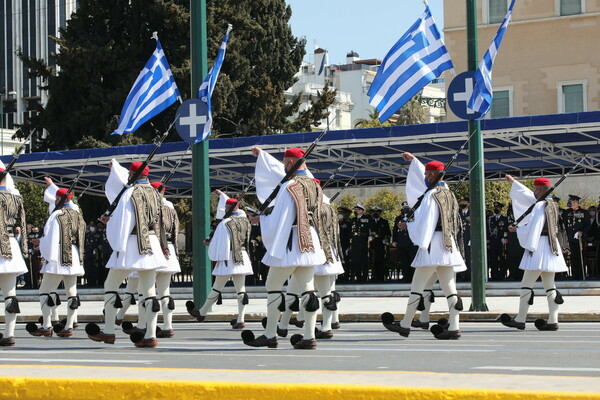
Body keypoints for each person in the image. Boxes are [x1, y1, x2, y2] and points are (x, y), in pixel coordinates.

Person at [241, 147, 326, 349]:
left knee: (273, 286)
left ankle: (270, 334)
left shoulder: (290, 186)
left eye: (284, 164)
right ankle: (309, 336)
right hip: (310, 243)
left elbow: (282, 218)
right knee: (307, 290)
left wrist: (260, 219)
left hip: (291, 243)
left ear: (288, 164)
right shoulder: (315, 186)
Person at [381, 153, 466, 340]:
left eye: (428, 175)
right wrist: (414, 161)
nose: (425, 178)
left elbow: (425, 222)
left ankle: (405, 324)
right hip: (448, 246)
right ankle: (454, 326)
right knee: (450, 289)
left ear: (433, 176)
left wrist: (407, 226)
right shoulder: (449, 194)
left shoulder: (431, 195)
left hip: (432, 245)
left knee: (417, 287)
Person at [85, 160, 167, 348]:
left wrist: (111, 229)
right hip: (151, 243)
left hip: (132, 243)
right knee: (149, 291)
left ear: (132, 174)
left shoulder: (130, 193)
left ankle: (109, 331)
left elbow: (124, 221)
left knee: (111, 285)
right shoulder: (155, 193)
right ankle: (151, 334)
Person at [500, 176, 568, 331]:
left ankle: (520, 319)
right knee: (550, 287)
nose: (534, 192)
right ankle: (553, 320)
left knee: (526, 285)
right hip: (552, 247)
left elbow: (534, 228)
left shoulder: (539, 206)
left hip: (539, 248)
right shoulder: (553, 204)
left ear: (539, 190)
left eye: (535, 190)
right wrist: (514, 183)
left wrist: (518, 230)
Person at [27, 178, 85, 338]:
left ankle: (46, 324)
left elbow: (52, 238)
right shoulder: (77, 214)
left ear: (59, 199)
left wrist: (43, 248)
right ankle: (68, 325)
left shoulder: (56, 215)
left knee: (45, 290)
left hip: (58, 255)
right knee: (72, 292)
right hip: (73, 254)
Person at [187, 190, 252, 329]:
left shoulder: (225, 223)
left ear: (227, 209)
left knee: (217, 287)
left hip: (228, 257)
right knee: (241, 290)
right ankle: (240, 319)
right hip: (242, 256)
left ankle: (202, 312)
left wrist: (209, 242)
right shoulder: (245, 220)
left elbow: (221, 242)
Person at [0, 163, 28, 346]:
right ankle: (9, 334)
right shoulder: (16, 197)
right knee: (10, 294)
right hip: (10, 245)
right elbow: (24, 224)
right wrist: (23, 247)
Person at [564, 194, 590, 280]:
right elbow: (565, 225)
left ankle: (581, 275)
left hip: (580, 239)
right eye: (570, 202)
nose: (571, 204)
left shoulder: (584, 212)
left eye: (573, 202)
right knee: (573, 257)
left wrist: (582, 232)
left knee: (580, 256)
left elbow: (588, 225)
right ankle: (574, 276)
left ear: (577, 203)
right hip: (570, 238)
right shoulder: (567, 212)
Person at [392, 201, 417, 283]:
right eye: (404, 208)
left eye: (407, 207)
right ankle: (406, 277)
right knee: (404, 261)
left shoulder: (415, 216)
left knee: (413, 260)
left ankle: (414, 277)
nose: (406, 209)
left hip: (412, 242)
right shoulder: (398, 218)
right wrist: (394, 240)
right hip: (402, 242)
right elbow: (395, 230)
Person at [369, 206, 391, 282]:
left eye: (377, 212)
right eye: (374, 212)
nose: (375, 213)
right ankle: (373, 276)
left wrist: (386, 239)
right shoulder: (369, 222)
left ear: (380, 213)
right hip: (372, 245)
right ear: (371, 213)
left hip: (381, 245)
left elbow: (388, 233)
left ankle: (382, 276)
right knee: (372, 261)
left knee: (381, 260)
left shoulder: (384, 222)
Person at [488, 202, 509, 281]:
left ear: (501, 209)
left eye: (498, 208)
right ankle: (494, 275)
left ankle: (502, 275)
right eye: (495, 208)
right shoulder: (491, 219)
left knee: (502, 259)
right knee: (493, 259)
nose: (496, 209)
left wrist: (505, 238)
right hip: (493, 242)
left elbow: (506, 230)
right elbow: (489, 231)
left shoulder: (504, 219)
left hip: (501, 242)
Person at [349, 204, 370, 282]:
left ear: (361, 210)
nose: (356, 211)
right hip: (355, 242)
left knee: (364, 260)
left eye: (357, 210)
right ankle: (358, 277)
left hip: (363, 242)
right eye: (355, 210)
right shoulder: (353, 220)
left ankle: (364, 277)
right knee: (356, 260)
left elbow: (369, 229)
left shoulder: (367, 219)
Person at [457, 196, 471, 282]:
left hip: (469, 239)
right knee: (461, 257)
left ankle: (469, 275)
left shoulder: (472, 213)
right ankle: (462, 275)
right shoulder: (457, 213)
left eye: (464, 202)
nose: (462, 203)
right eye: (461, 202)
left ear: (468, 203)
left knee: (469, 258)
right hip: (459, 239)